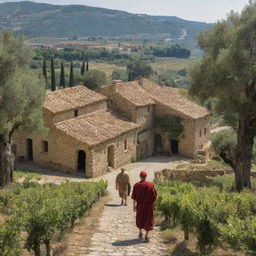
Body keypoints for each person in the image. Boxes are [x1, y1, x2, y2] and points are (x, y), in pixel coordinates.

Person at [132, 171, 157, 243]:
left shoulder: (136, 185)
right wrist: (154, 205)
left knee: (140, 218)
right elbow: (154, 197)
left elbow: (134, 197)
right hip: (149, 206)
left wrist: (134, 206)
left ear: (140, 176)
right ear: (146, 176)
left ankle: (140, 232)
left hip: (140, 205)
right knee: (148, 219)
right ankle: (146, 236)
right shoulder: (151, 185)